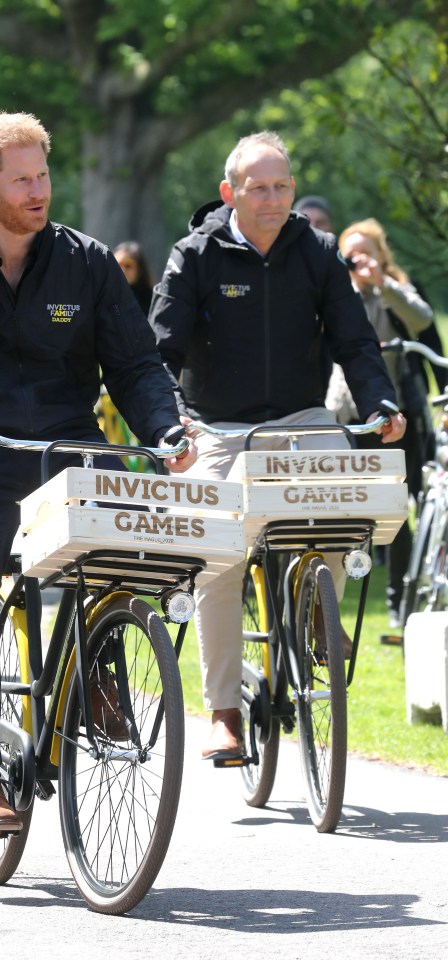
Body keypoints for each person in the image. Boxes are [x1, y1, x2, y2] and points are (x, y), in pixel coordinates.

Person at [0, 111, 197, 833]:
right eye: (21, 178)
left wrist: (167, 427)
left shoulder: (85, 262)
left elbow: (136, 362)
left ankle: (102, 675)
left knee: (129, 552)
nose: (37, 189)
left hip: (70, 447)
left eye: (43, 174)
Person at [148, 131, 406, 760]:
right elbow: (158, 355)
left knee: (351, 495)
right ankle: (225, 712)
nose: (272, 199)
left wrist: (380, 404)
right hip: (216, 427)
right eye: (258, 187)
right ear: (229, 192)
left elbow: (355, 343)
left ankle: (319, 611)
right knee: (217, 553)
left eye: (282, 186)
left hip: (302, 417)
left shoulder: (317, 252)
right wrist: (173, 422)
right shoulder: (195, 255)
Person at [327, 218, 434, 628]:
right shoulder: (339, 293)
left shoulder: (393, 290)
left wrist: (382, 283)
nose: (359, 264)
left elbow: (422, 319)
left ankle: (397, 598)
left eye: (365, 254)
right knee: (345, 507)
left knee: (395, 507)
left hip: (390, 415)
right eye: (351, 256)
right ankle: (336, 594)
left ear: (380, 255)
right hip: (345, 413)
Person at [113, 241, 154, 315]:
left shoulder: (152, 301)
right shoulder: (104, 296)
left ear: (140, 269)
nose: (122, 270)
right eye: (117, 264)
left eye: (128, 265)